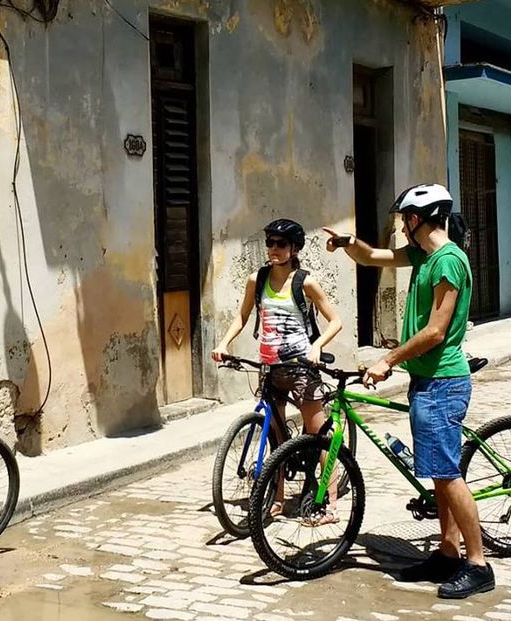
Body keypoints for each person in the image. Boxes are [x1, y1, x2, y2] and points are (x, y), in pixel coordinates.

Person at [324, 183, 495, 599]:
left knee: (450, 476)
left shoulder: (448, 262)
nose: (401, 225)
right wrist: (349, 243)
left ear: (418, 218)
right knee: (439, 473)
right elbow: (372, 256)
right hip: (427, 381)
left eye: (404, 218)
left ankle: (478, 564)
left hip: (443, 381)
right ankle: (448, 552)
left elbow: (437, 330)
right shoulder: (425, 255)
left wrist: (388, 360)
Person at [212, 218, 342, 524]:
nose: (273, 249)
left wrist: (317, 346)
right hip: (270, 368)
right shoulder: (256, 280)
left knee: (319, 434)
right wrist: (224, 342)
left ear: (294, 248)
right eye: (269, 243)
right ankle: (278, 499)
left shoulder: (305, 282)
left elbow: (335, 320)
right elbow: (242, 317)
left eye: (280, 244)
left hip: (301, 367)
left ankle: (331, 504)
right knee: (276, 439)